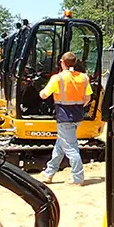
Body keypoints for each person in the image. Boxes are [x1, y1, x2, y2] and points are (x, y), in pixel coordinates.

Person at [38, 51, 93, 186]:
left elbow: (44, 95)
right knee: (61, 145)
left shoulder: (58, 78)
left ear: (62, 62)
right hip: (78, 116)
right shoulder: (84, 78)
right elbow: (88, 98)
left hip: (64, 117)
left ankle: (77, 178)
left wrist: (41, 91)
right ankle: (49, 173)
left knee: (71, 148)